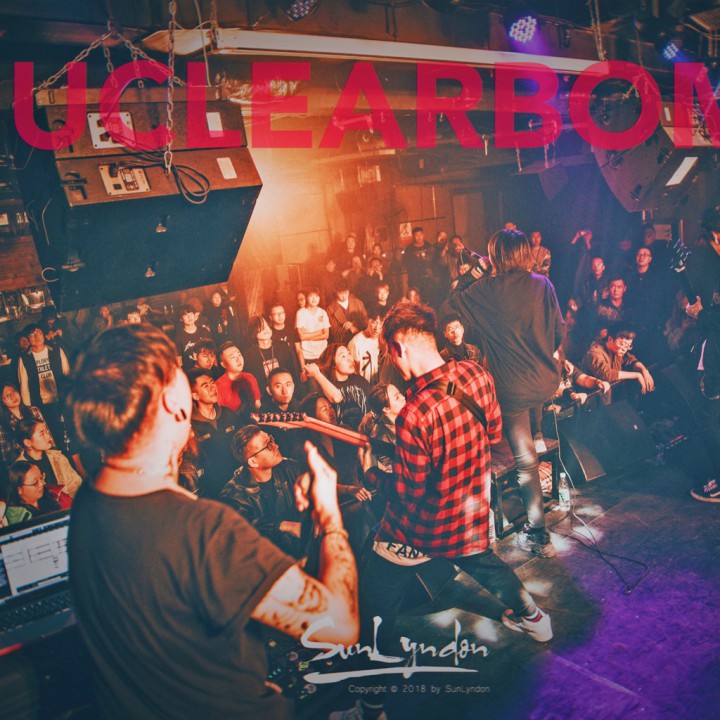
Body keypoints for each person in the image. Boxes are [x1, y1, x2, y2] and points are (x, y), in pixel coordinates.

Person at [66, 323, 358, 720]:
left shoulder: (89, 501)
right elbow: (338, 625)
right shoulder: (202, 530)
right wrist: (330, 517)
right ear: (174, 406)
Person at [332, 302, 552, 720]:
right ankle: (536, 618)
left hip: (418, 529)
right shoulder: (477, 374)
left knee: (375, 609)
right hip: (468, 513)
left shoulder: (415, 413)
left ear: (398, 348)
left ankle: (371, 708)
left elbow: (409, 493)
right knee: (485, 563)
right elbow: (491, 434)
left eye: (390, 356)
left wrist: (372, 473)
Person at [444, 228, 564, 558]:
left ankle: (538, 534)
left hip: (511, 389)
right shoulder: (543, 284)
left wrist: (478, 270)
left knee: (525, 461)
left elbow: (451, 301)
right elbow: (558, 333)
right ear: (525, 252)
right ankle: (539, 438)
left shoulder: (486, 290)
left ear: (494, 256)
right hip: (544, 381)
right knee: (532, 437)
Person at [187, 369, 240, 500]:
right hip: (211, 492)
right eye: (205, 386)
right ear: (195, 395)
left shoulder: (228, 414)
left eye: (212, 383)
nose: (212, 388)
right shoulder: (191, 426)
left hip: (238, 487)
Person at [17, 323, 70, 447]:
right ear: (28, 339)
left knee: (67, 430)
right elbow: (23, 385)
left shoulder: (56, 351)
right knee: (51, 434)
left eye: (39, 333)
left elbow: (67, 373)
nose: (37, 337)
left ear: (44, 335)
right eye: (32, 335)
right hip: (41, 404)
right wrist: (29, 408)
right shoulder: (25, 358)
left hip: (60, 399)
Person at [14, 418, 82, 498]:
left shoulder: (57, 457)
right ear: (28, 442)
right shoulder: (20, 469)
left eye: (46, 431)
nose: (48, 436)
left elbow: (75, 484)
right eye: (42, 434)